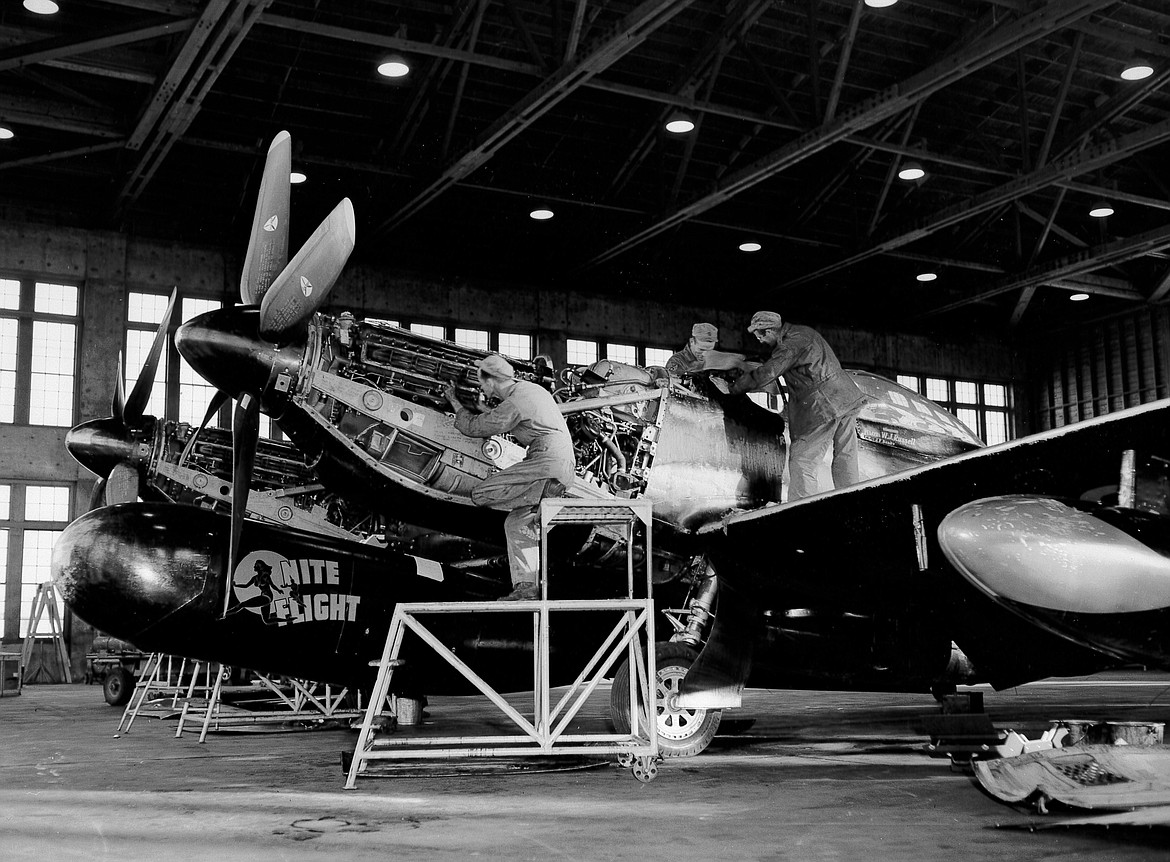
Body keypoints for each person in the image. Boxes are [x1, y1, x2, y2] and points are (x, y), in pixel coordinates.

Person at [442, 354, 576, 601]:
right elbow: (510, 421)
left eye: (482, 382)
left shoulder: (516, 402)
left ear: (491, 381)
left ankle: (546, 499)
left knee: (481, 494)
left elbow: (475, 428)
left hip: (546, 463)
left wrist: (454, 401)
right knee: (515, 523)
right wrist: (483, 408)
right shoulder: (529, 391)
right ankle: (526, 587)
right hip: (560, 464)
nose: (481, 387)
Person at [729, 311, 865, 500]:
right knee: (845, 455)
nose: (759, 340)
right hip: (844, 397)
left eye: (759, 335)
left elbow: (769, 372)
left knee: (803, 461)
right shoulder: (803, 332)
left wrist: (734, 388)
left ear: (768, 331)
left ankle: (801, 512)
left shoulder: (789, 345)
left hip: (823, 405)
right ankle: (854, 501)